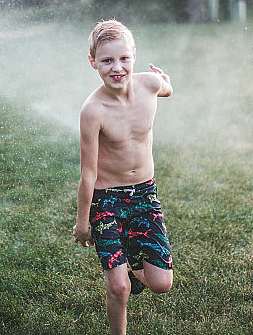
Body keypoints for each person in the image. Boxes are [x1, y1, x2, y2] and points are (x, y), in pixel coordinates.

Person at [72, 19, 174, 335]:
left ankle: (129, 267)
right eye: (107, 61)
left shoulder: (150, 85)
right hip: (106, 199)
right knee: (119, 288)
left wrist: (167, 82)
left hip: (144, 195)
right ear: (93, 63)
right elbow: (88, 173)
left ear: (134, 56)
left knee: (162, 283)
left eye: (124, 58)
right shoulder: (93, 111)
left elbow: (167, 88)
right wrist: (82, 223)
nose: (117, 68)